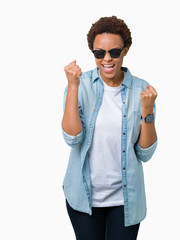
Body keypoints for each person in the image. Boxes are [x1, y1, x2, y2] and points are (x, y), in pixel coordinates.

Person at [61, 16, 158, 240]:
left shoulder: (142, 89)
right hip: (83, 197)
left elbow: (145, 153)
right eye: (99, 53)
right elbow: (72, 138)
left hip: (125, 200)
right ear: (92, 52)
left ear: (126, 50)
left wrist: (148, 111)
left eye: (114, 52)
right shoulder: (80, 84)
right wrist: (73, 86)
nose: (107, 59)